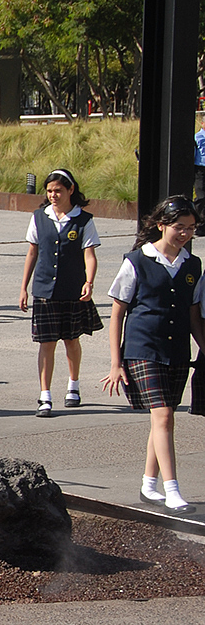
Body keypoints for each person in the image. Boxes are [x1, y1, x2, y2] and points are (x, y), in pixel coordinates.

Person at [101, 196, 204, 513]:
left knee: (163, 418)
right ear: (161, 225)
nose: (185, 234)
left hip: (175, 350)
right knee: (164, 417)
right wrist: (116, 362)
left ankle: (149, 484)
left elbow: (193, 313)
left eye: (191, 228)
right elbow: (117, 312)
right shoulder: (136, 260)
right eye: (178, 227)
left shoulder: (192, 264)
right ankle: (172, 490)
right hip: (142, 349)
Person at [18, 169, 103, 418]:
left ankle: (73, 385)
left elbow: (90, 255)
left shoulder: (84, 220)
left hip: (72, 289)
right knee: (46, 343)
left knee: (71, 340)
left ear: (70, 190)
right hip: (44, 290)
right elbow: (32, 253)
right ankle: (45, 395)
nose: (53, 195)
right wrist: (24, 287)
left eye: (58, 190)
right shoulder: (38, 217)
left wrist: (89, 281)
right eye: (50, 191)